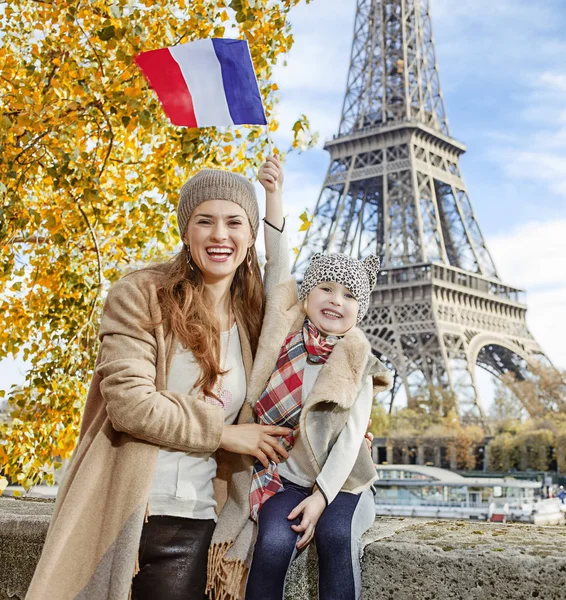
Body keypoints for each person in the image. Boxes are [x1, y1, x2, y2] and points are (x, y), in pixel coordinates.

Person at [26, 158, 292, 600]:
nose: (220, 235)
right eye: (204, 220)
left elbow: (307, 340)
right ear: (186, 231)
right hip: (126, 510)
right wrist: (224, 434)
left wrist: (345, 423)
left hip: (196, 520)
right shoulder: (140, 295)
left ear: (251, 235)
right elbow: (130, 403)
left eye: (234, 222)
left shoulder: (252, 320)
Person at [207, 163, 392, 600]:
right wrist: (273, 193)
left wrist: (322, 497)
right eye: (326, 289)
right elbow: (277, 261)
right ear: (305, 296)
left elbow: (350, 442)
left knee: (333, 537)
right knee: (271, 545)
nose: (335, 300)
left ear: (360, 312)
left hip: (341, 481)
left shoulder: (357, 359)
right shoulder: (284, 326)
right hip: (284, 477)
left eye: (349, 296)